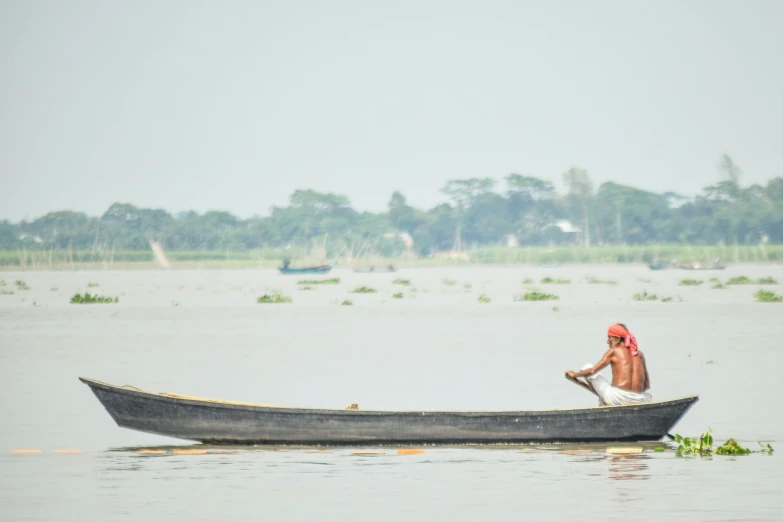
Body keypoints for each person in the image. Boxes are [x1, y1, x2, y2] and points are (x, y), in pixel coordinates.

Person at [566, 323, 652, 406]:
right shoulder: (639, 354)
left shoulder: (614, 351)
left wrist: (575, 375)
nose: (607, 342)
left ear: (617, 339)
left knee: (586, 368)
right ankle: (605, 398)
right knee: (644, 394)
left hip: (618, 399)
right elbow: (646, 384)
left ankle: (604, 400)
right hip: (640, 399)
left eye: (609, 338)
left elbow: (592, 371)